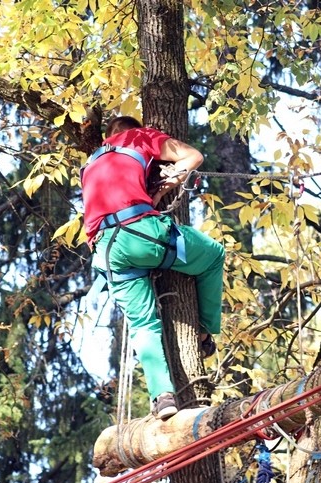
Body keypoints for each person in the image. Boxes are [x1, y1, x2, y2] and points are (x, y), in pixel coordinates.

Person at [81, 116, 225, 420]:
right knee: (212, 255)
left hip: (108, 251)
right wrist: (162, 190)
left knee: (143, 324)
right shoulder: (138, 137)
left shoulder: (90, 164)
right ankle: (203, 332)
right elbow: (193, 156)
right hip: (141, 234)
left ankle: (163, 397)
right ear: (131, 130)